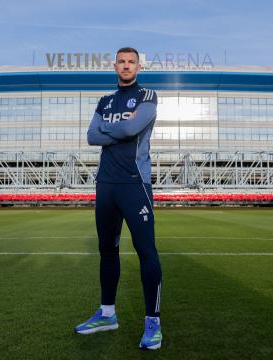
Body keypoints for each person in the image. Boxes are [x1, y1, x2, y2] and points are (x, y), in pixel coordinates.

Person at [74, 47, 162, 350]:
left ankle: (153, 322)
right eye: (121, 62)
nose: (126, 66)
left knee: (146, 251)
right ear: (115, 66)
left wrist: (111, 130)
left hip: (134, 184)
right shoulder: (105, 100)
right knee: (107, 250)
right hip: (106, 185)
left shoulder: (148, 96)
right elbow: (90, 136)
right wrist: (120, 131)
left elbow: (129, 128)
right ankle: (107, 314)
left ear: (139, 66)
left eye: (131, 62)